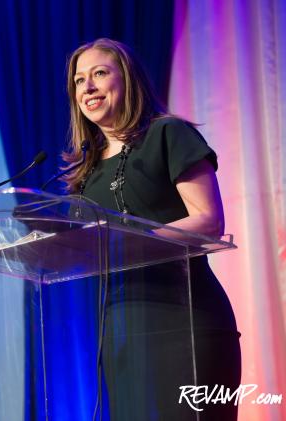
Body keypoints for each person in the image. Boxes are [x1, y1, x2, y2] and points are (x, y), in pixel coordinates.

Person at [62, 38, 241, 420]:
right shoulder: (84, 174)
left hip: (187, 321)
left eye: (99, 74)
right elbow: (84, 251)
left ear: (127, 80)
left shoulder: (168, 134)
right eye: (79, 81)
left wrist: (130, 244)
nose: (87, 87)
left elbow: (208, 219)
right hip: (122, 335)